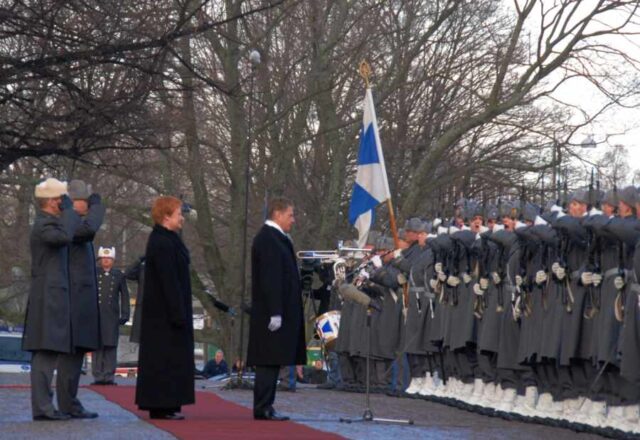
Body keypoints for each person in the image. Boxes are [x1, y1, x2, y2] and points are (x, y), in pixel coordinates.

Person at [22, 178, 80, 421]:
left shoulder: (50, 223)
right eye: (61, 199)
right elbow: (65, 236)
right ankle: (43, 408)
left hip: (52, 296)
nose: (64, 204)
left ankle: (45, 407)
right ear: (52, 201)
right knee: (45, 353)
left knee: (48, 353)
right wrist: (69, 211)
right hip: (48, 297)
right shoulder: (44, 225)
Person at [246, 196, 306, 421]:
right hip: (271, 312)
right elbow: (271, 278)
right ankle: (262, 406)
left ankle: (266, 405)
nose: (294, 220)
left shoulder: (276, 238)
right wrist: (275, 311)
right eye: (290, 215)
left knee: (272, 360)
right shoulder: (268, 239)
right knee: (267, 361)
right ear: (277, 214)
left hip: (276, 309)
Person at [135, 196, 194, 420]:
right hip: (164, 315)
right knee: (163, 362)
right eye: (179, 214)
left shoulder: (168, 239)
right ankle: (161, 405)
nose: (182, 219)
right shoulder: (161, 242)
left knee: (170, 361)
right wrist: (178, 312)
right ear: (166, 216)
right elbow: (168, 281)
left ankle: (168, 403)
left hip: (168, 313)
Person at [63, 179, 104, 417]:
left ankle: (70, 401)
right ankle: (68, 403)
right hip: (75, 297)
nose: (89, 205)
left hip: (81, 296)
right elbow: (89, 230)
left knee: (75, 356)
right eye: (85, 201)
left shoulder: (74, 223)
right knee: (71, 356)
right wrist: (99, 207)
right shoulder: (71, 224)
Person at [92, 246, 130, 385]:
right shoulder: (94, 273)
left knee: (110, 346)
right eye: (104, 258)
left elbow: (124, 296)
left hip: (112, 316)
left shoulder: (118, 275)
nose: (106, 261)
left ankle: (108, 375)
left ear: (113, 260)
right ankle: (97, 375)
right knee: (97, 346)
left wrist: (125, 314)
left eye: (109, 258)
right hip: (96, 315)